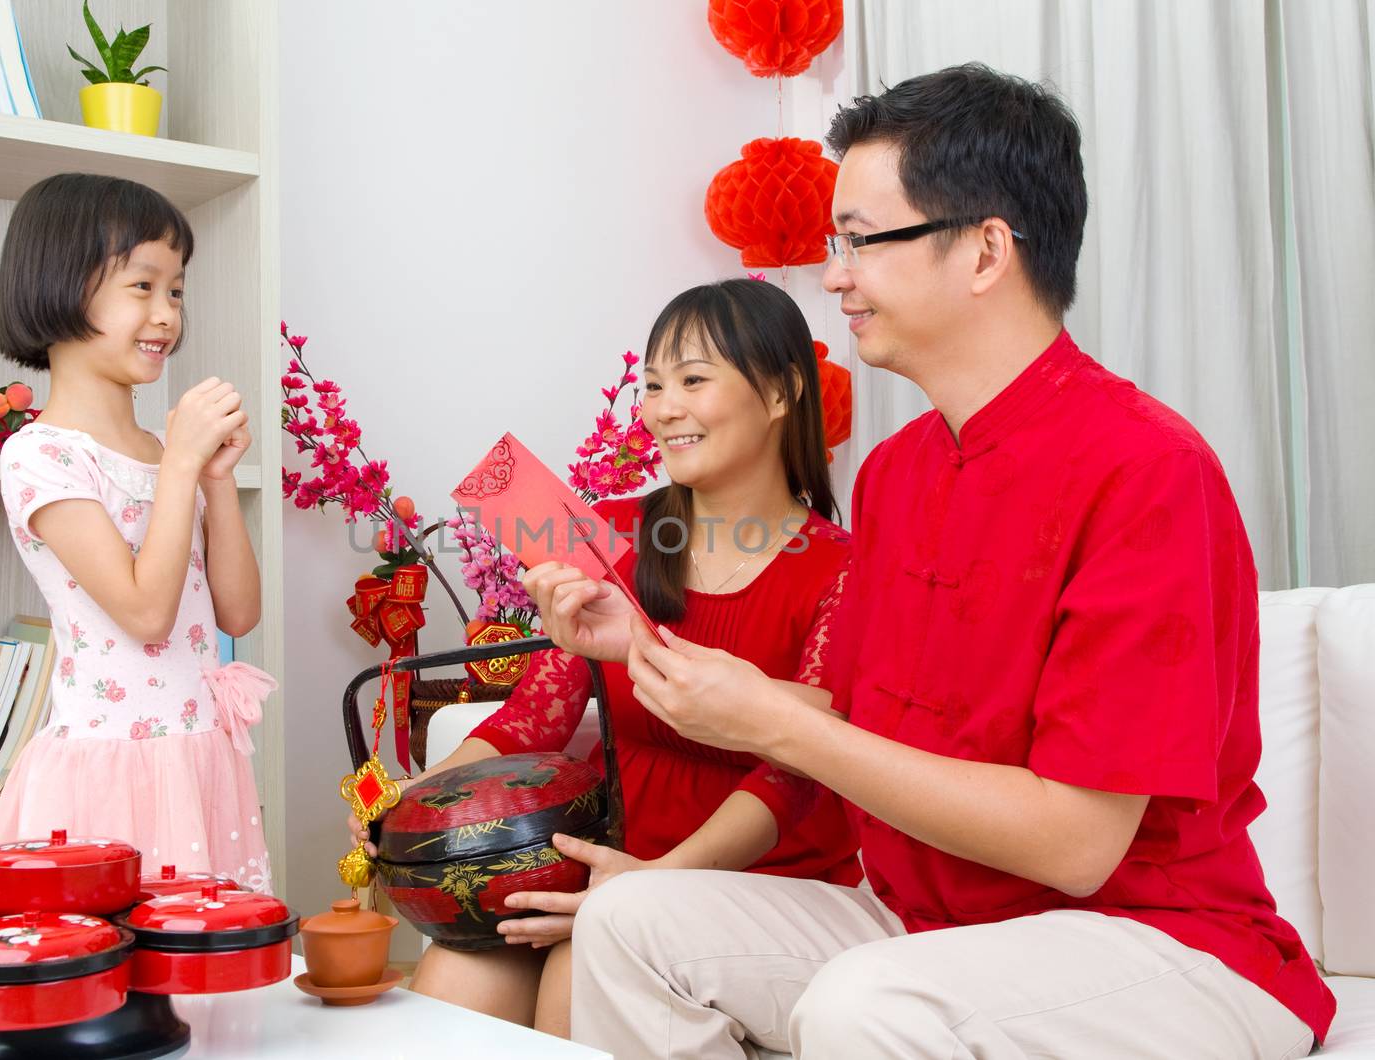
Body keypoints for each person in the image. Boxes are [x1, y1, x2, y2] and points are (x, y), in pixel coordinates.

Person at [559, 64, 1335, 1058]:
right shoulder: (894, 472)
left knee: (867, 1003)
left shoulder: (1145, 466)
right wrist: (650, 650)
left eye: (859, 241)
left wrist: (776, 730)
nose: (832, 275)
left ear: (983, 252)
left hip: (1158, 939)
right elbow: (838, 714)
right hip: (928, 928)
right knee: (632, 922)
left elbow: (1077, 843)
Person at [352, 279, 860, 1035]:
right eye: (654, 385)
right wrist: (411, 802)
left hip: (761, 881)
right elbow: (531, 722)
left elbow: (798, 777)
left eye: (693, 380)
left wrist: (649, 884)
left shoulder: (841, 567)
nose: (662, 408)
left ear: (782, 392)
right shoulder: (613, 531)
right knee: (459, 968)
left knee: (576, 960)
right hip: (605, 861)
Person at [0, 173, 277, 892]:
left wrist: (214, 479)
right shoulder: (42, 455)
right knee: (114, 977)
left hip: (200, 760)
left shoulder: (164, 452)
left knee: (204, 969)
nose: (166, 316)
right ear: (60, 286)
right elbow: (147, 614)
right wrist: (181, 465)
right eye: (142, 287)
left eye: (175, 291)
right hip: (109, 774)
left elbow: (237, 613)